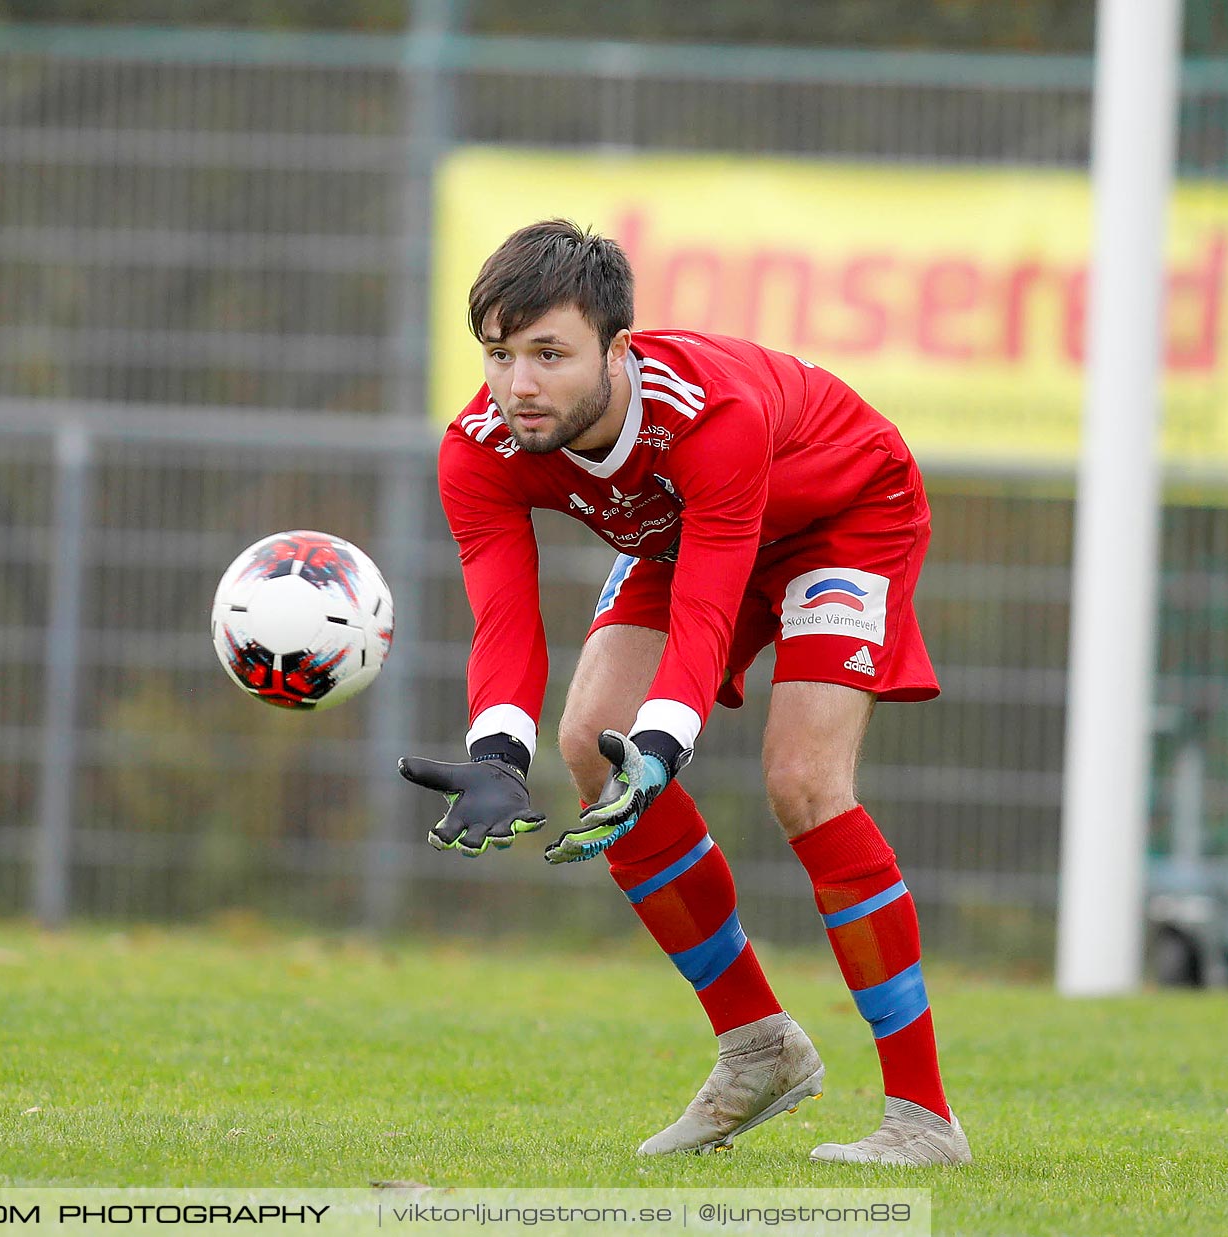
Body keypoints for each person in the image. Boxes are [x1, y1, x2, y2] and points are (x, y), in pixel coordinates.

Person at [398, 219, 971, 1166]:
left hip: (840, 516)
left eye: (549, 353)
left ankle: (923, 1116)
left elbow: (710, 602)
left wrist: (667, 740)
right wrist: (497, 754)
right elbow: (503, 613)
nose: (518, 384)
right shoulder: (480, 447)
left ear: (618, 348)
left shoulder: (710, 414)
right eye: (499, 354)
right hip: (682, 528)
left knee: (802, 780)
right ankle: (759, 1048)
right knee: (588, 741)